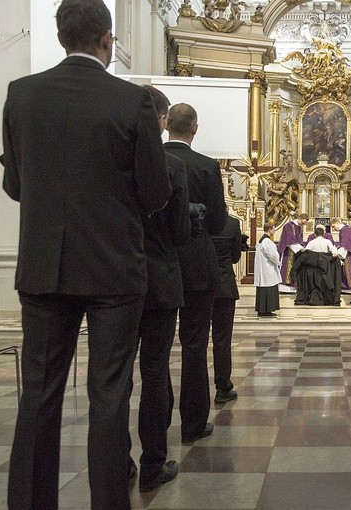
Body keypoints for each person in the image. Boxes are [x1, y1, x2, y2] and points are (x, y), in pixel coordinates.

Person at [1, 1, 171, 508]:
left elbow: (15, 185)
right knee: (109, 398)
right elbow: (156, 191)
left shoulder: (21, 94)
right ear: (107, 39)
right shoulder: (131, 101)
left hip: (44, 264)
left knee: (38, 394)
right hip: (114, 267)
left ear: (59, 38)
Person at [129, 85, 191, 493]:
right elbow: (181, 233)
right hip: (161, 279)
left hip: (117, 278)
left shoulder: (115, 159)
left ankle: (117, 462)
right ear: (163, 120)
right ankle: (153, 463)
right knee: (154, 372)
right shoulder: (171, 167)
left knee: (113, 376)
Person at [165, 102, 228, 445]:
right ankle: (193, 424)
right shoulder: (206, 166)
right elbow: (218, 223)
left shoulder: (152, 159)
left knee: (154, 351)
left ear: (166, 126)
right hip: (197, 265)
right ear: (195, 128)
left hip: (158, 263)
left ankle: (157, 427)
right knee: (194, 345)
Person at [210, 215, 243, 404]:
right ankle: (223, 386)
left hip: (198, 285)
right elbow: (236, 257)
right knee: (222, 340)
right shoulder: (231, 224)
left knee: (194, 343)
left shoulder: (196, 220)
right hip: (224, 287)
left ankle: (194, 395)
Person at [331, 217, 351, 303]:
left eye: (333, 226)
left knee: (350, 272)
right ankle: (349, 290)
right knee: (346, 272)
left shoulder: (346, 230)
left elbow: (345, 244)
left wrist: (338, 253)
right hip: (347, 253)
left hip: (350, 253)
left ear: (337, 223)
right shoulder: (343, 230)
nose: (333, 229)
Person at [254, 223, 281, 317]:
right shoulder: (267, 242)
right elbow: (272, 255)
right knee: (269, 288)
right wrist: (278, 262)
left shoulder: (261, 241)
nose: (274, 231)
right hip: (267, 268)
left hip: (264, 268)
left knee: (263, 287)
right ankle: (266, 310)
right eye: (274, 229)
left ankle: (262, 310)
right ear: (269, 229)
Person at [278, 213, 308, 292]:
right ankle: (284, 287)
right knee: (286, 267)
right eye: (302, 223)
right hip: (288, 251)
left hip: (296, 251)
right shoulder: (288, 226)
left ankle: (293, 286)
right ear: (299, 218)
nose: (302, 225)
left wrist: (301, 247)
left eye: (304, 224)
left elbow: (300, 239)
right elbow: (289, 239)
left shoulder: (300, 227)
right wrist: (300, 248)